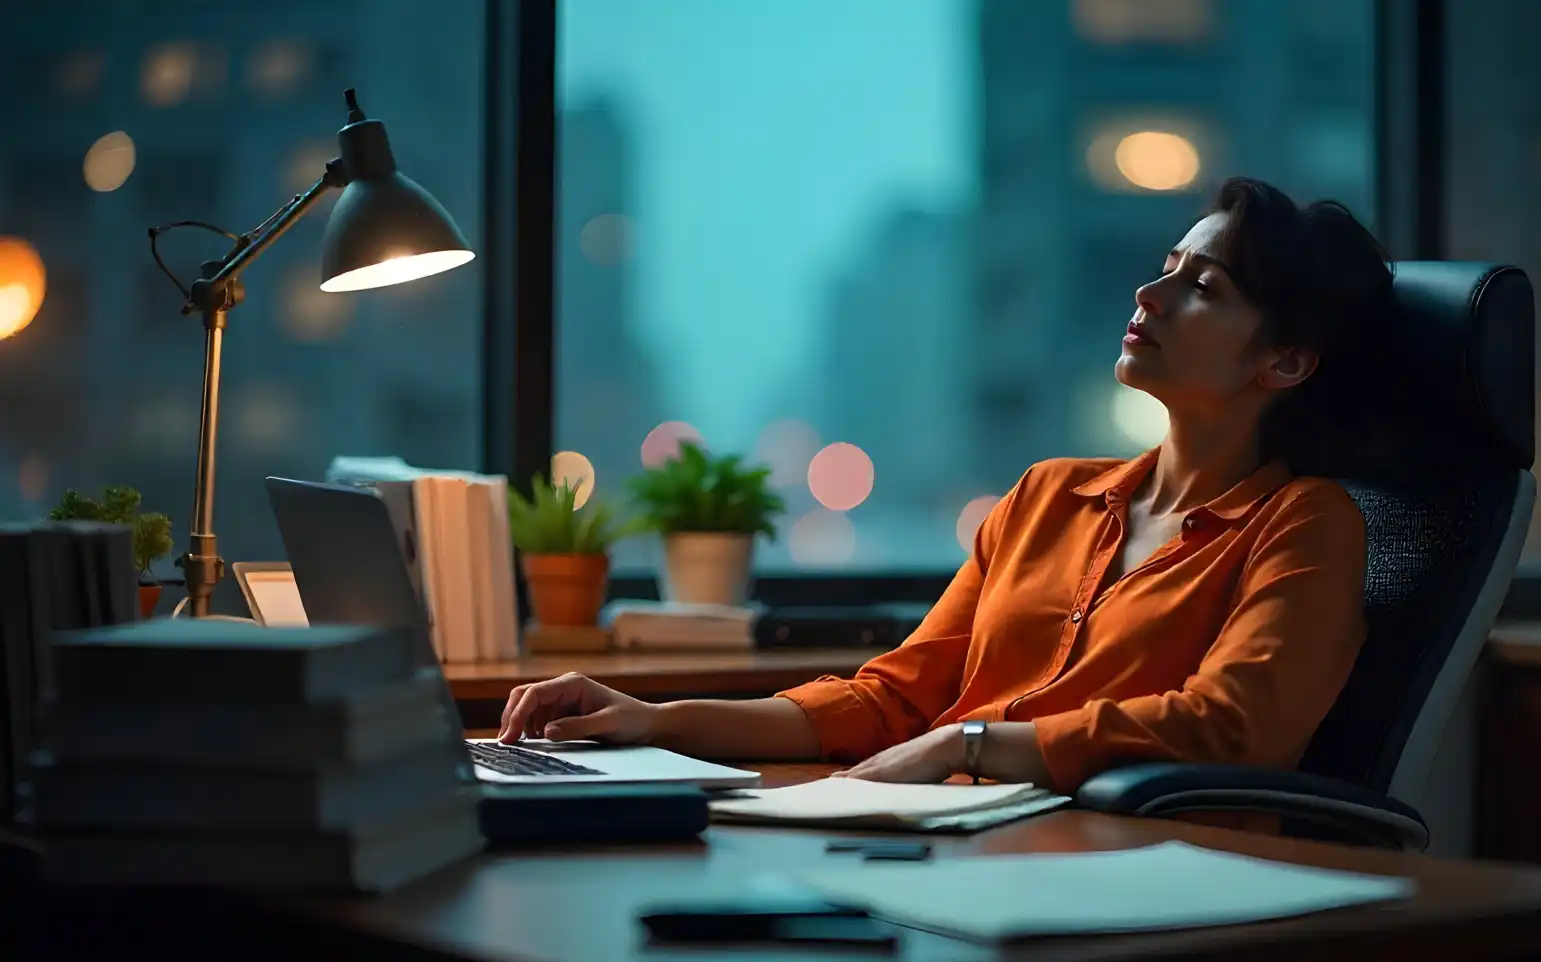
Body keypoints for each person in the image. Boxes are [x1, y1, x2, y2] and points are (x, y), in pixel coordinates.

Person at [499, 176, 1396, 796]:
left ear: (1286, 359)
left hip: (1136, 866)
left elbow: (1230, 728)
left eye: (1201, 286)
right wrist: (650, 718)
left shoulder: (1306, 524)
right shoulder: (1048, 497)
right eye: (1165, 267)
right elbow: (892, 699)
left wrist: (964, 746)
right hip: (956, 830)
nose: (1150, 293)